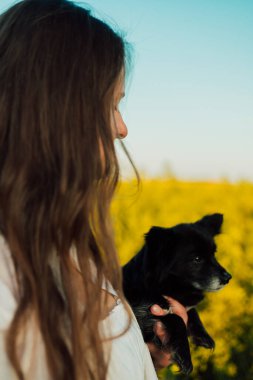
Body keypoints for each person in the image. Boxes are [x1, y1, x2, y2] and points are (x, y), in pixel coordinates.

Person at [0, 1, 188, 379]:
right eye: (111, 104)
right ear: (55, 108)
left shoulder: (65, 242)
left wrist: (139, 352)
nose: (122, 128)